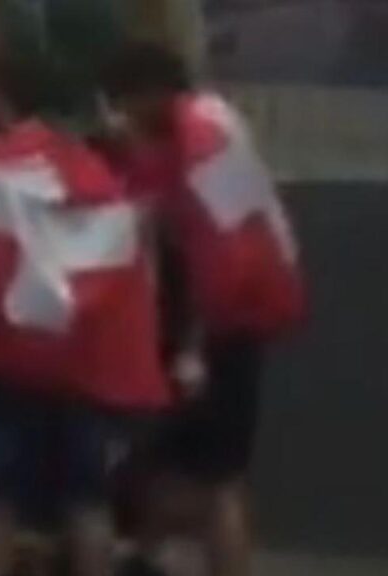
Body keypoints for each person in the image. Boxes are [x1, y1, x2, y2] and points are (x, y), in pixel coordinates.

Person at [0, 56, 171, 576]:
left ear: (2, 97)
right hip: (83, 368)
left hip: (3, 361)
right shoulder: (91, 169)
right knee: (87, 501)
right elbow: (124, 267)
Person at [98, 42, 305, 576]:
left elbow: (220, 256)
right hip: (225, 319)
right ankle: (145, 551)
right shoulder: (198, 132)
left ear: (150, 92)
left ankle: (170, 554)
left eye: (123, 101)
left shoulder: (203, 140)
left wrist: (195, 346)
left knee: (217, 479)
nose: (120, 115)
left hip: (223, 325)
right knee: (181, 467)